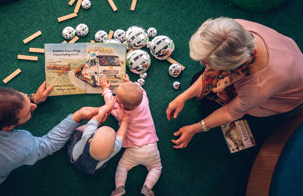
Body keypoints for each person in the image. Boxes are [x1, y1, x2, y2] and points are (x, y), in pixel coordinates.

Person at [166, 17, 303, 149]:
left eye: (207, 62)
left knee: (209, 110)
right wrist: (182, 97)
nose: (202, 63)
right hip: (288, 63)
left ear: (230, 67)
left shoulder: (257, 88)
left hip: (277, 97)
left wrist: (195, 128)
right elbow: (210, 72)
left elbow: (230, 113)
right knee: (198, 82)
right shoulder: (232, 29)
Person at [100, 76, 162, 196]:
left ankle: (119, 187)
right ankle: (148, 187)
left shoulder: (119, 111)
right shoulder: (144, 100)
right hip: (151, 147)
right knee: (156, 168)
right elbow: (141, 90)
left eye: (116, 97)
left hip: (134, 149)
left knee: (122, 167)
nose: (115, 98)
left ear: (121, 105)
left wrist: (105, 89)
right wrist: (130, 83)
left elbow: (109, 102)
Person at [67, 97, 129, 175]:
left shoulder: (87, 136)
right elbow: (121, 135)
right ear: (113, 149)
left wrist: (107, 106)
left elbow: (95, 118)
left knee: (77, 132)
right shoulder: (115, 148)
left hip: (74, 158)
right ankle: (93, 126)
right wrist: (125, 122)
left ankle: (93, 126)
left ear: (90, 140)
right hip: (92, 170)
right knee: (101, 165)